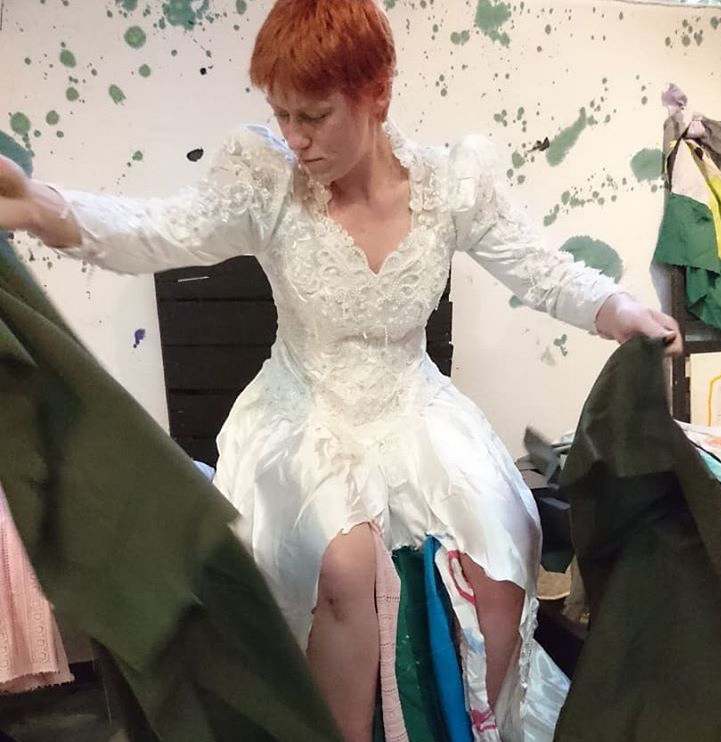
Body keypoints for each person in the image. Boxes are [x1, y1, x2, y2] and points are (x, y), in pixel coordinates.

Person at [0, 1, 682, 740]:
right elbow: (162, 231)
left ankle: (482, 725)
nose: (294, 138)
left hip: (414, 405)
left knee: (504, 546)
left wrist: (621, 310)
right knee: (345, 563)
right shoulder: (267, 180)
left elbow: (541, 270)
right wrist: (41, 207)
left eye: (314, 116)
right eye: (281, 115)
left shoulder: (451, 184)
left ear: (376, 93)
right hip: (306, 404)